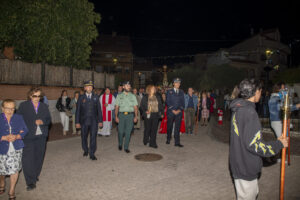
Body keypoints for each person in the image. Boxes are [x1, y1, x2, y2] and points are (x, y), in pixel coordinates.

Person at [229, 79, 288, 200]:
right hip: (246, 166)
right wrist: (278, 144)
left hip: (238, 163)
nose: (260, 93)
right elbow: (254, 145)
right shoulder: (249, 112)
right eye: (260, 91)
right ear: (256, 92)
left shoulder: (238, 108)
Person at [17, 87, 51, 191]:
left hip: (41, 137)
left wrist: (43, 122)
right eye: (34, 96)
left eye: (39, 96)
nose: (37, 98)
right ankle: (30, 182)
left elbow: (49, 120)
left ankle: (35, 175)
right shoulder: (23, 106)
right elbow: (18, 120)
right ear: (30, 95)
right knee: (27, 159)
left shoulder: (44, 106)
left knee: (38, 157)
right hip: (28, 136)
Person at [0, 99, 28, 199]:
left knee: (14, 169)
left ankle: (11, 190)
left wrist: (17, 136)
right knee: (2, 170)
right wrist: (3, 137)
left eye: (12, 108)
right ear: (2, 108)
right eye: (7, 108)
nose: (10, 111)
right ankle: (2, 182)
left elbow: (25, 129)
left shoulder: (18, 117)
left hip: (16, 148)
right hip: (2, 148)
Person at [75, 81, 103, 161]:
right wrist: (77, 122)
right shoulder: (81, 98)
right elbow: (78, 111)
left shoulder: (96, 97)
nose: (89, 88)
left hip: (94, 121)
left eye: (91, 87)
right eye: (87, 87)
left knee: (93, 137)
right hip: (84, 121)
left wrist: (100, 121)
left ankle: (92, 153)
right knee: (84, 136)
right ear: (84, 88)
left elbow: (99, 110)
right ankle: (85, 150)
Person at [115, 81, 138, 153]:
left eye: (129, 85)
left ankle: (126, 147)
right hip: (121, 115)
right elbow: (116, 107)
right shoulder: (119, 96)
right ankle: (120, 143)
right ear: (123, 87)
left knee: (128, 132)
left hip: (130, 116)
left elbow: (135, 107)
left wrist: (136, 116)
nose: (128, 87)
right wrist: (116, 116)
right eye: (127, 85)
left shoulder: (133, 96)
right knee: (120, 132)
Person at [166, 78, 185, 147]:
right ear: (173, 84)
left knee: (177, 127)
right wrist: (173, 110)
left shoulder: (181, 92)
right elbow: (167, 101)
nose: (178, 84)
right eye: (176, 83)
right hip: (171, 112)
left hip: (179, 112)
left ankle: (177, 142)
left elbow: (183, 102)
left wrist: (180, 110)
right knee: (169, 126)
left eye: (179, 83)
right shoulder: (169, 91)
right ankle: (168, 138)